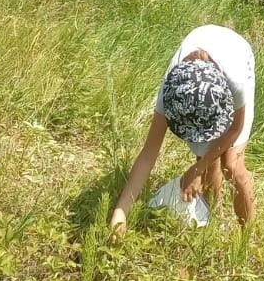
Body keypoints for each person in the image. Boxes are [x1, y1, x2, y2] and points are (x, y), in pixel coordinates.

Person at [109, 24, 256, 238]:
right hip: (201, 64)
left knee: (232, 166)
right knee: (206, 158)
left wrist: (197, 170)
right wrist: (121, 211)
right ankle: (209, 220)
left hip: (236, 53)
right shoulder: (172, 92)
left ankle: (247, 239)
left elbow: (235, 129)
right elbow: (148, 155)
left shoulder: (236, 83)